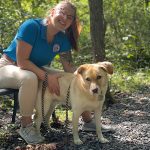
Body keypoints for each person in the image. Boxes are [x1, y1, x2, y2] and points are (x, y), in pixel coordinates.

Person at [0, 0, 112, 146]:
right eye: (62, 12)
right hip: (8, 67)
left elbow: (68, 69)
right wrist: (47, 77)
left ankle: (88, 120)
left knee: (72, 78)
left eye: (70, 17)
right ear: (53, 12)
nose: (65, 18)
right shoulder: (31, 27)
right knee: (29, 78)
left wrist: (88, 75)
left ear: (72, 22)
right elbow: (22, 62)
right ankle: (26, 126)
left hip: (33, 67)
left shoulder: (63, 38)